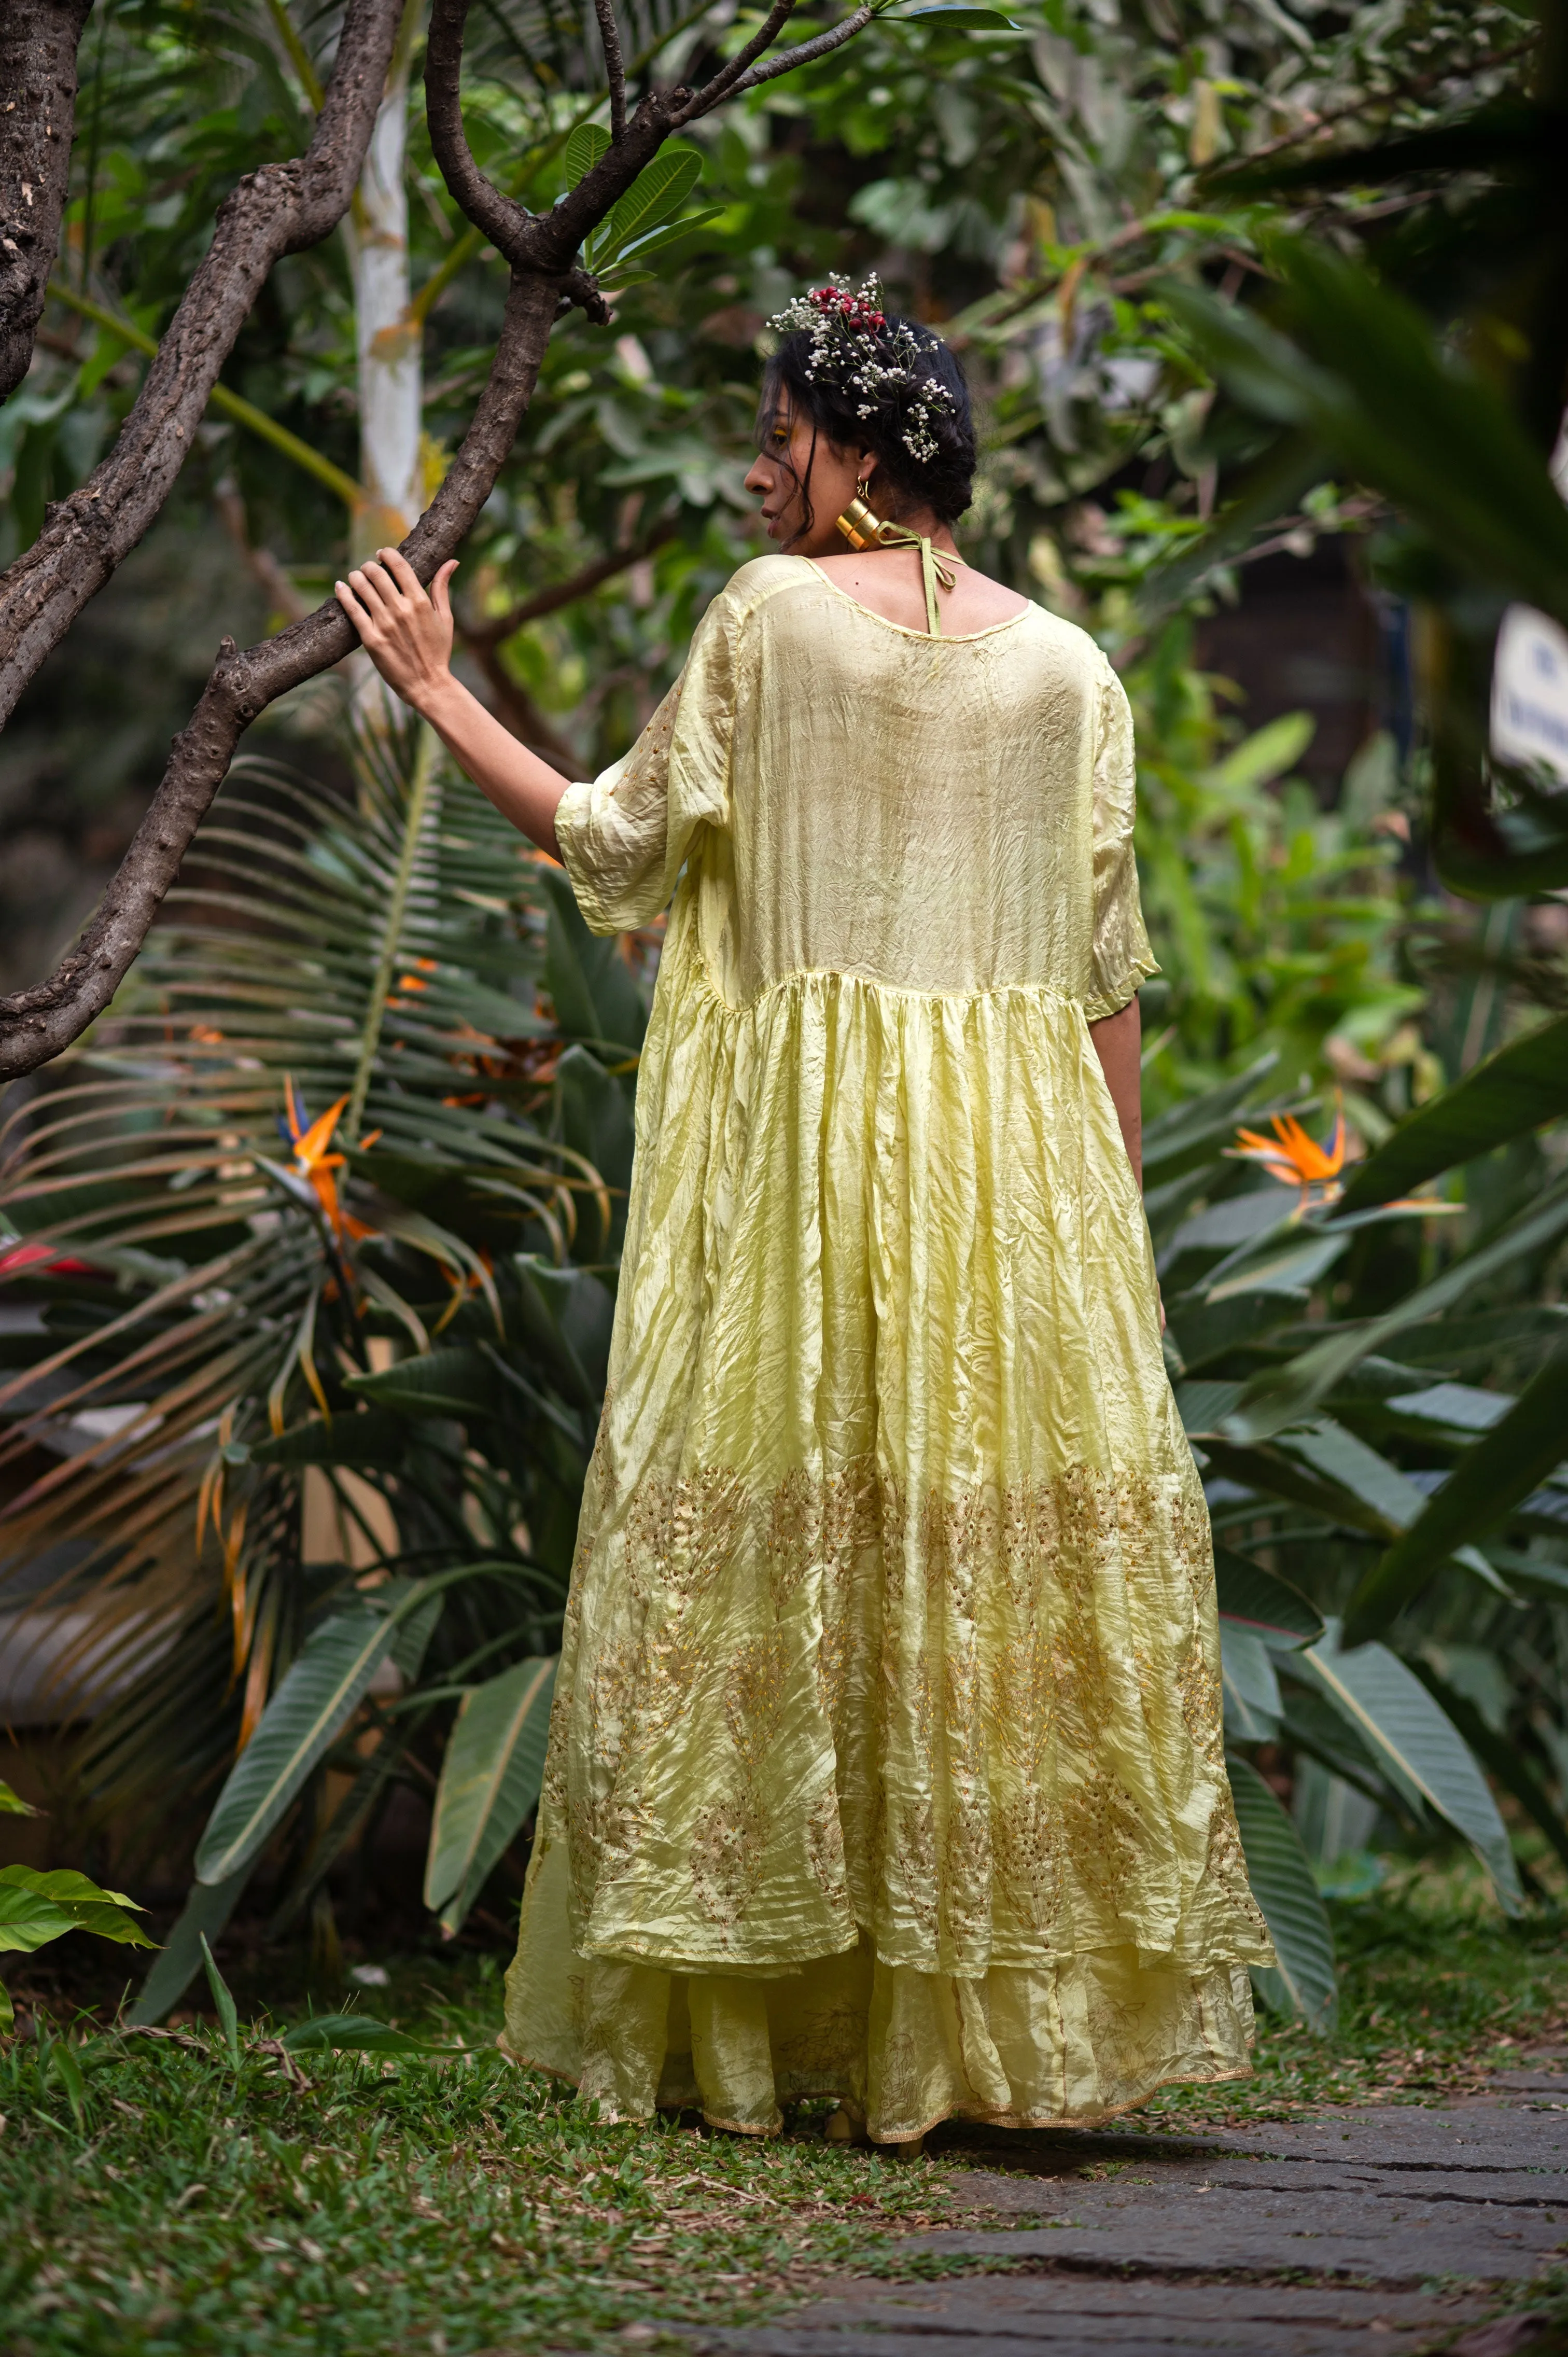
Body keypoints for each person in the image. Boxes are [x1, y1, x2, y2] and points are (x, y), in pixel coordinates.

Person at [335, 274, 1274, 2152]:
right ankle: (989, 2047)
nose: (759, 470)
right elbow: (1109, 984)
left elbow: (614, 844)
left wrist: (438, 684)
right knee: (985, 1575)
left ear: (858, 449)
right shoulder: (1073, 669)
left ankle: (777, 2028)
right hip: (1021, 1195)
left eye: (782, 436)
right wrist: (1117, 1237)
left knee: (793, 1559)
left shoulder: (772, 622)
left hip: (804, 1187)